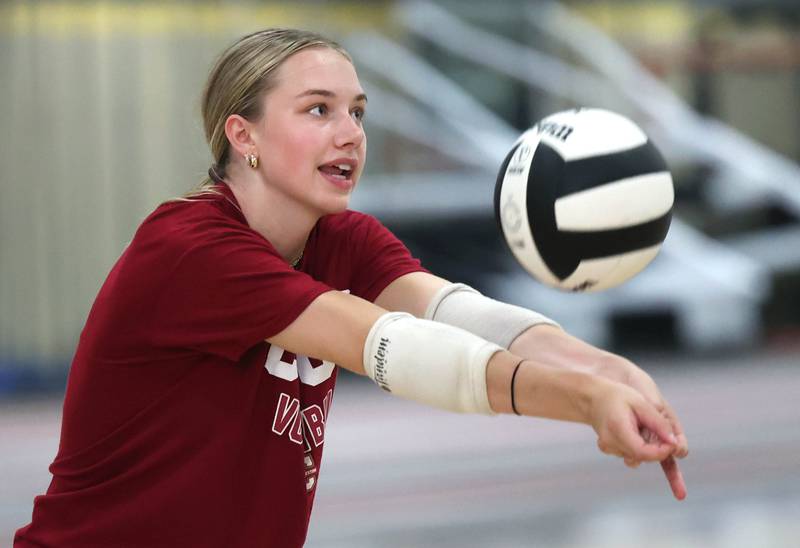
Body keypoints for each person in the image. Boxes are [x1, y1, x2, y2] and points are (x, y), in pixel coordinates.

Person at [15, 28, 688, 548]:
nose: (350, 134)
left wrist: (607, 369)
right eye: (318, 110)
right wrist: (584, 400)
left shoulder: (343, 238)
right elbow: (397, 347)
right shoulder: (191, 249)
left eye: (358, 112)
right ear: (242, 134)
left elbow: (461, 317)